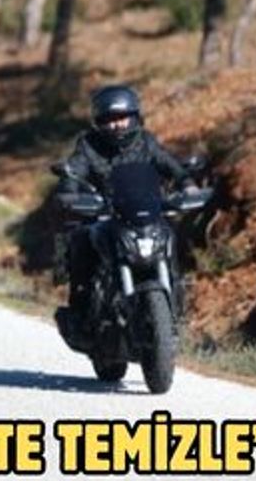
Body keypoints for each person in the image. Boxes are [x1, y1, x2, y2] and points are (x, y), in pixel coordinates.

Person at [53, 84, 197, 347]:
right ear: (99, 123)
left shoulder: (146, 141)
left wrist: (187, 184)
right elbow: (74, 171)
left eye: (122, 118)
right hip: (104, 215)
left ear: (134, 117)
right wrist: (69, 193)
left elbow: (168, 164)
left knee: (170, 238)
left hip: (144, 214)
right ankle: (81, 314)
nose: (117, 125)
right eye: (109, 120)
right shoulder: (88, 145)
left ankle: (175, 313)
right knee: (81, 242)